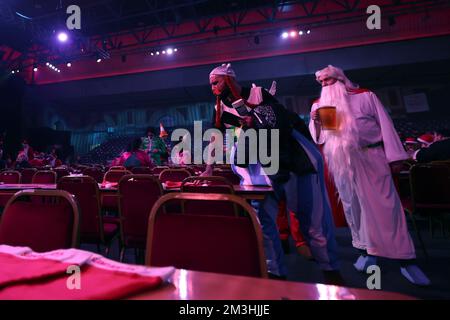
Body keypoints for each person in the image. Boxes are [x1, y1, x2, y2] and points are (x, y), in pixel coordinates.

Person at [206, 63, 340, 282]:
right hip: (253, 161)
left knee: (311, 214)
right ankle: (275, 272)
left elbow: (281, 119)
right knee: (262, 216)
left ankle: (330, 268)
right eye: (210, 84)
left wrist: (257, 119)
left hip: (288, 153)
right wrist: (209, 166)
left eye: (216, 82)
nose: (212, 88)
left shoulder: (259, 93)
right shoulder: (220, 107)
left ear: (228, 79)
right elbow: (216, 135)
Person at [309, 65, 430, 286]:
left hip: (372, 157)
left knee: (386, 207)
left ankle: (405, 259)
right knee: (353, 207)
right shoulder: (322, 105)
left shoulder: (366, 96)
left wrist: (395, 157)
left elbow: (386, 125)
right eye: (321, 83)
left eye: (328, 81)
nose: (324, 85)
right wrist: (316, 122)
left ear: (339, 79)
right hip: (342, 162)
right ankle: (366, 251)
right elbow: (325, 138)